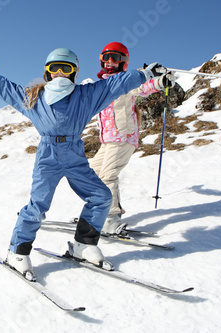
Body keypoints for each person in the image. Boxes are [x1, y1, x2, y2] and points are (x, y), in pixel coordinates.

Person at [0, 48, 165, 281]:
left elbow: (116, 84)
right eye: (53, 69)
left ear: (74, 73)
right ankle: (17, 252)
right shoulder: (33, 97)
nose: (59, 74)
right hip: (49, 155)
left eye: (65, 68)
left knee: (101, 197)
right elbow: (7, 89)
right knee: (38, 205)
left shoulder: (86, 95)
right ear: (46, 74)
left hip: (75, 154)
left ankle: (83, 245)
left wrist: (144, 74)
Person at [89, 42, 176, 235]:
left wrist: (160, 81)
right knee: (92, 173)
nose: (110, 62)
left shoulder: (126, 82)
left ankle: (111, 219)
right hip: (108, 141)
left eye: (116, 58)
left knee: (107, 176)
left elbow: (143, 87)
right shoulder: (101, 85)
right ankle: (97, 212)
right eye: (106, 58)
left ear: (124, 63)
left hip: (122, 137)